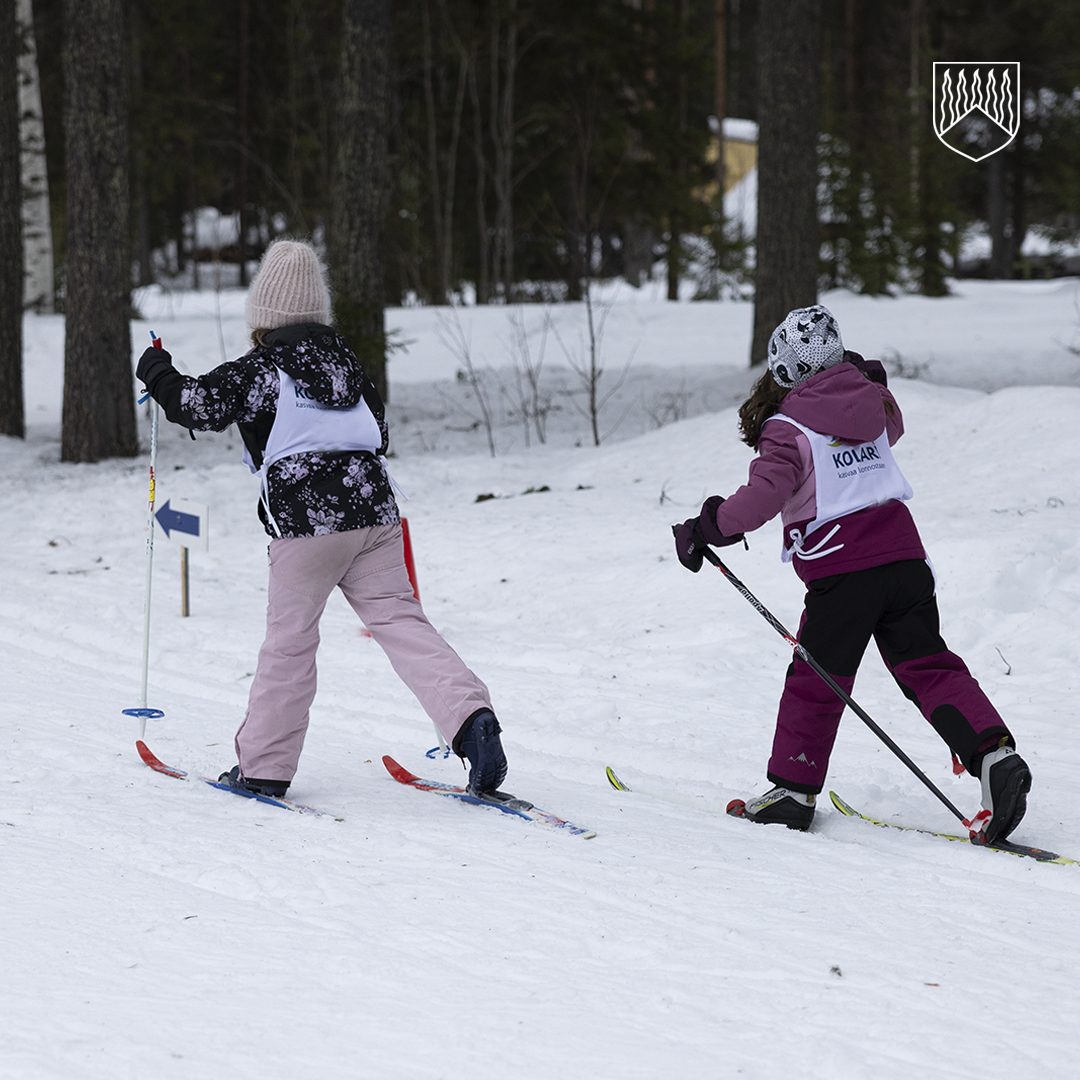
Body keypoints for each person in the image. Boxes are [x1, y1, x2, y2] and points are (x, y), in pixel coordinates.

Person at [136, 239, 507, 799]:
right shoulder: (350, 366)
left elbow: (198, 406)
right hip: (375, 515)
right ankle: (472, 722)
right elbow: (379, 432)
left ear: (263, 316)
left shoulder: (263, 368)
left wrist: (157, 370)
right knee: (402, 622)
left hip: (306, 525)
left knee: (290, 641)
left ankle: (263, 767)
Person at [674, 304, 1031, 842]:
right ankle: (995, 757)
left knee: (817, 680)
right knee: (930, 664)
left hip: (843, 570)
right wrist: (861, 379)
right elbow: (890, 421)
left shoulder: (786, 427)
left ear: (785, 370)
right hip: (905, 560)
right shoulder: (873, 404)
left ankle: (793, 793)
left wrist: (710, 526)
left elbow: (763, 498)